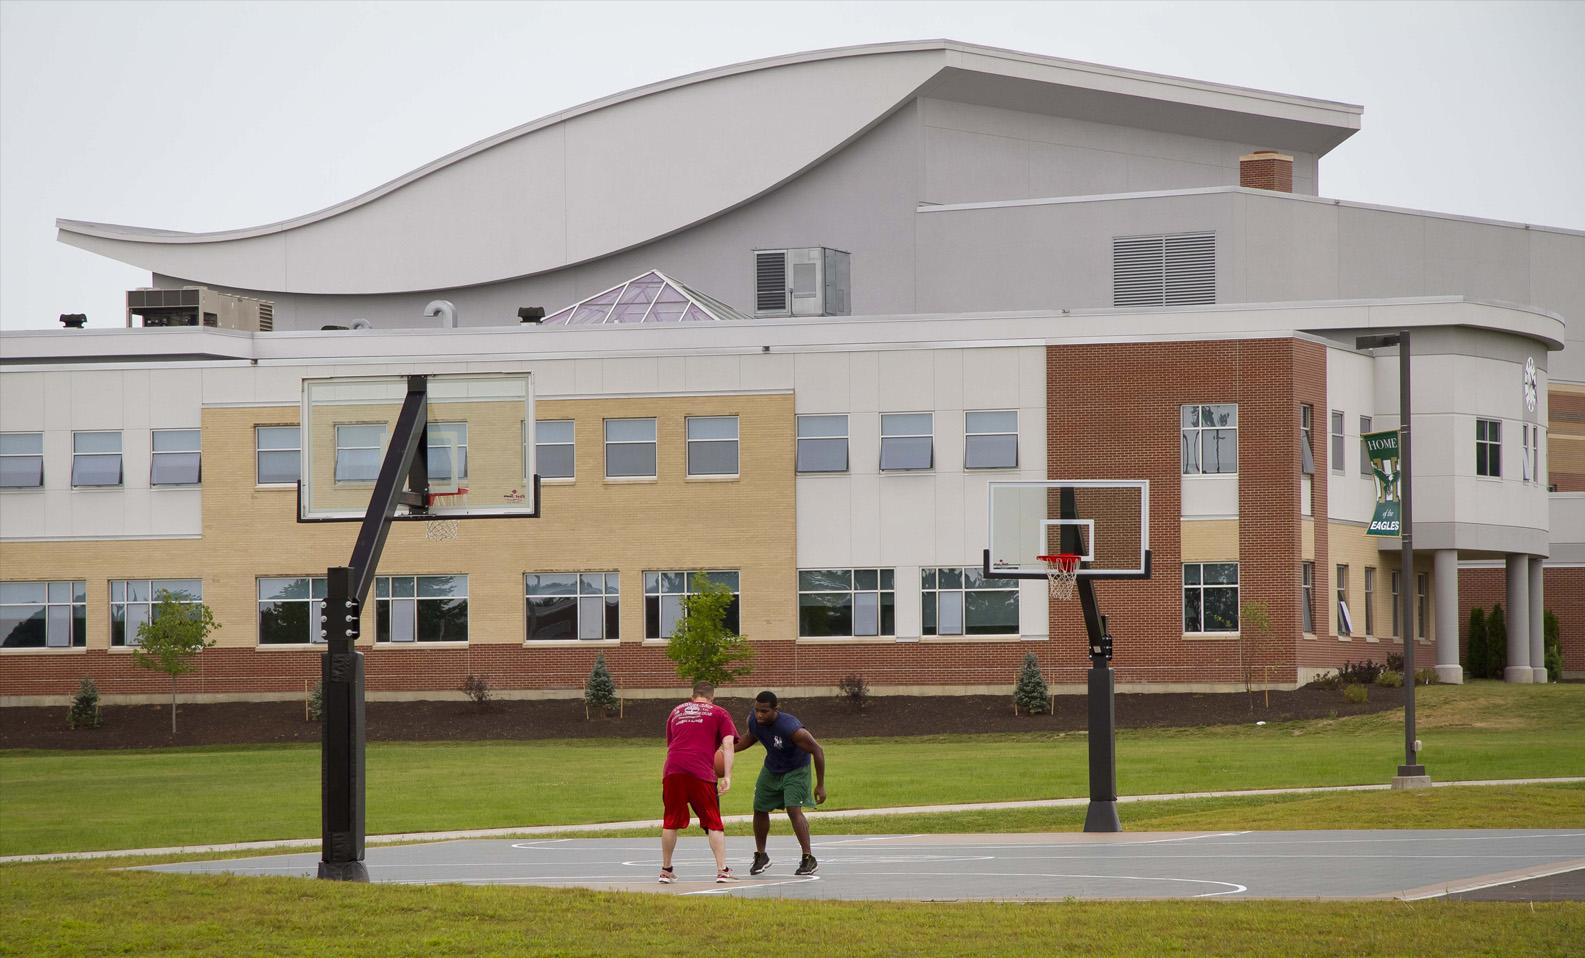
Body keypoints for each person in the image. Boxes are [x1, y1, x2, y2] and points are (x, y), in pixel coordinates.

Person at [733, 689, 826, 876]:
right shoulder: (754, 720)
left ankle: (808, 858)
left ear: (776, 709)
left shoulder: (791, 728)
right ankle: (761, 855)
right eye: (757, 709)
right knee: (759, 808)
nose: (759, 714)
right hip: (772, 768)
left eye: (764, 711)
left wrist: (820, 784)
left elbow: (817, 750)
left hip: (796, 769)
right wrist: (727, 750)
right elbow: (749, 738)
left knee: (793, 809)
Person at [659, 680, 739, 883]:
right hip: (700, 771)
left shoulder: (676, 711)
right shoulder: (719, 712)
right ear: (712, 698)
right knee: (713, 821)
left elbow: (671, 744)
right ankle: (722, 870)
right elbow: (728, 744)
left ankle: (666, 870)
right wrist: (727, 776)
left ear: (692, 697)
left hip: (673, 769)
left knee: (670, 821)